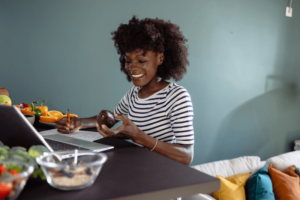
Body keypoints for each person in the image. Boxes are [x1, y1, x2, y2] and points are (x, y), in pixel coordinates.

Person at [55, 16, 194, 165]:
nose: (132, 67)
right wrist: (79, 122)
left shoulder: (176, 96)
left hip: (162, 173)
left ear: (160, 58)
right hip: (137, 165)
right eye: (128, 61)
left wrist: (139, 137)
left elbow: (186, 156)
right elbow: (111, 119)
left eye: (141, 61)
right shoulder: (134, 93)